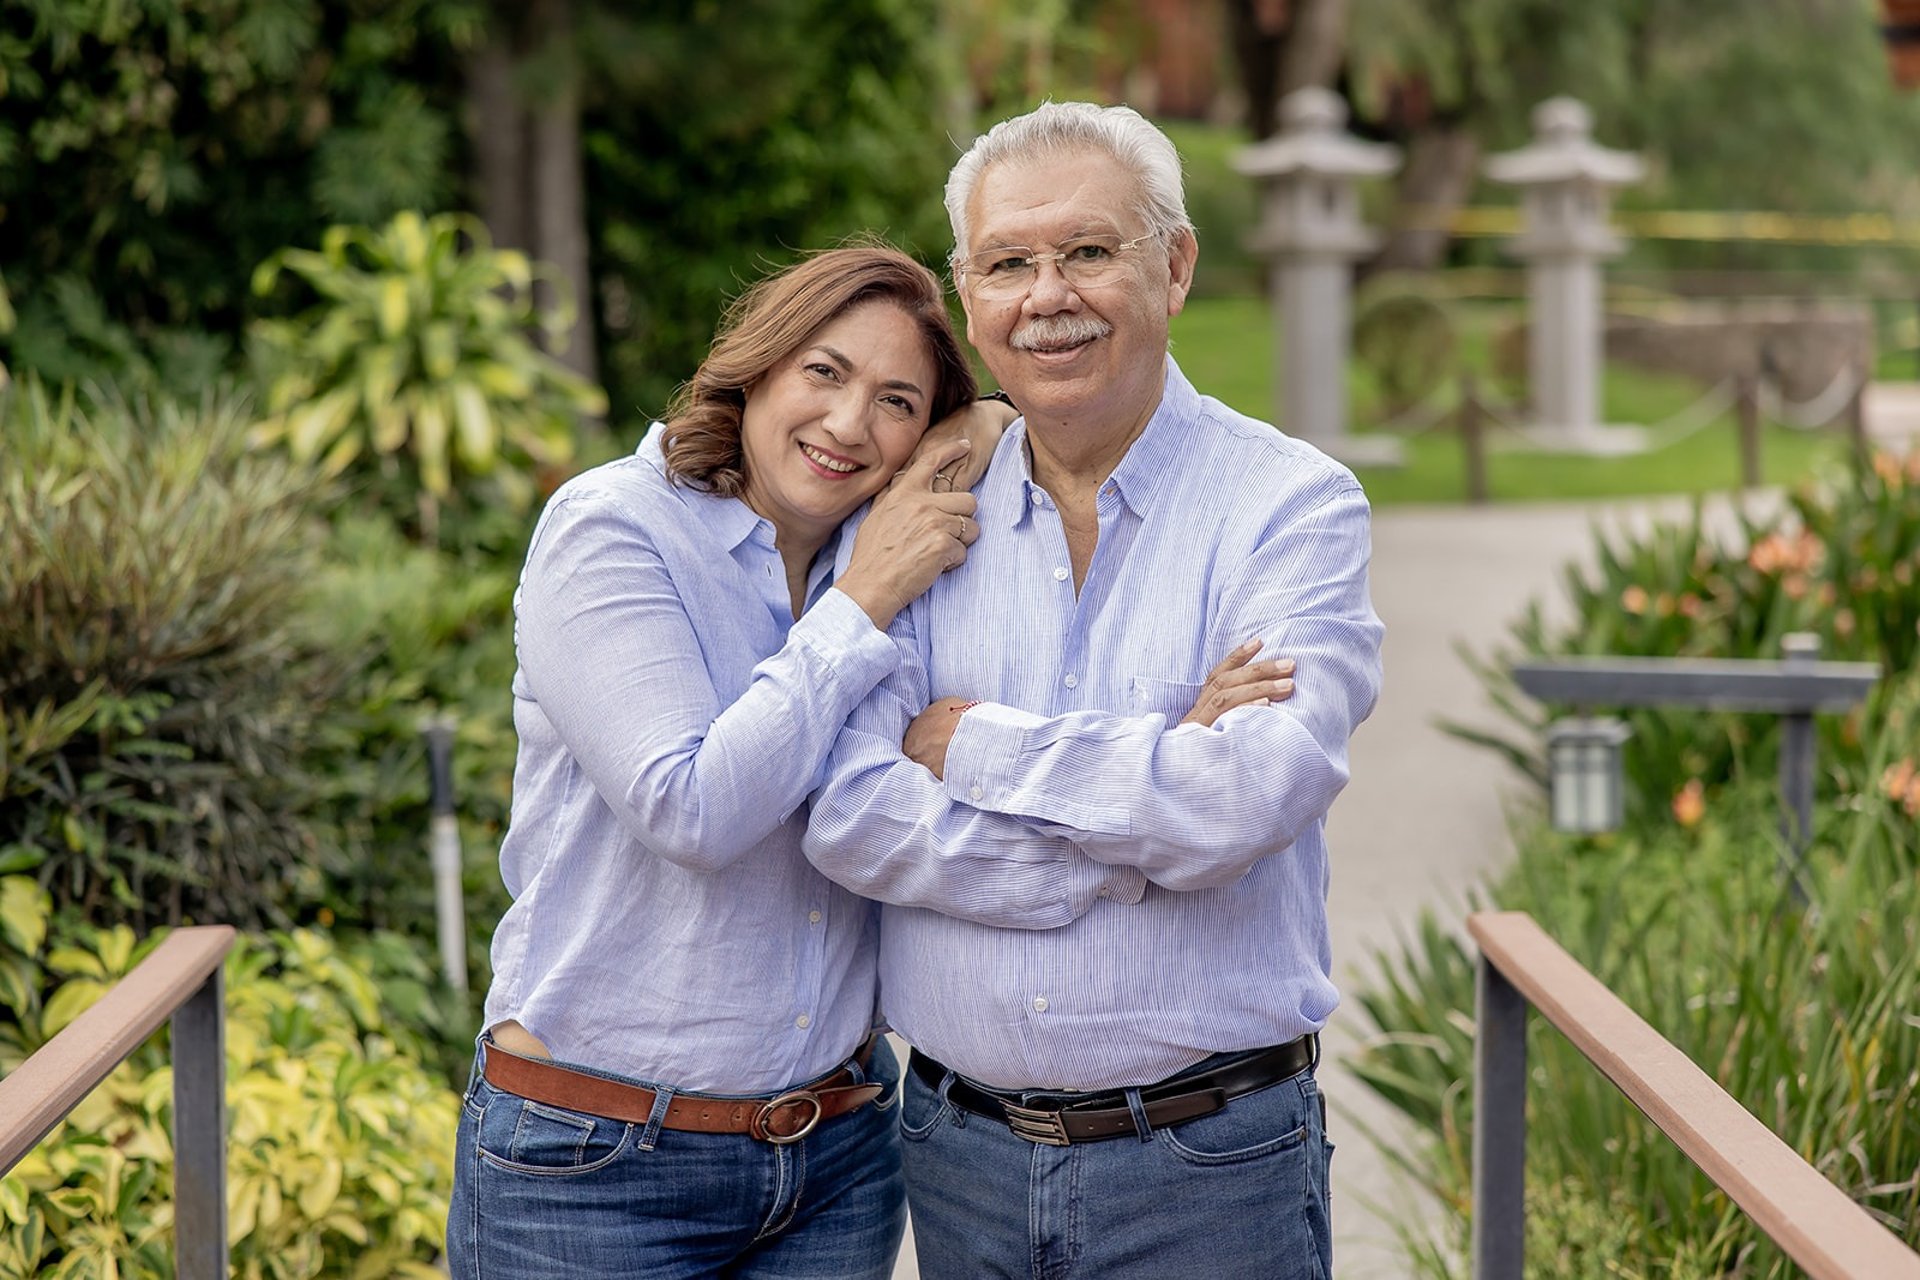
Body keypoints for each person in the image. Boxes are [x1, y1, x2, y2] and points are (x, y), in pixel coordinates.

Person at [804, 102, 1384, 1278]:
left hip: (1209, 1168)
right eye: (1007, 263)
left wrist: (973, 746)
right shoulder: (914, 512)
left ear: (1175, 267)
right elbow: (844, 809)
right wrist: (1141, 822)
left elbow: (1249, 793)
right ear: (968, 297)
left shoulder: (1290, 507)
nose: (1047, 295)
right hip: (959, 1159)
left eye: (1087, 250)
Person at [446, 244, 1011, 1279]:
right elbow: (691, 809)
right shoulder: (613, 528)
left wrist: (983, 421)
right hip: (594, 1161)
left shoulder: (884, 546)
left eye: (896, 402)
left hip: (836, 1159)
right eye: (824, 372)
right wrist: (862, 605)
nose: (849, 424)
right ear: (757, 366)